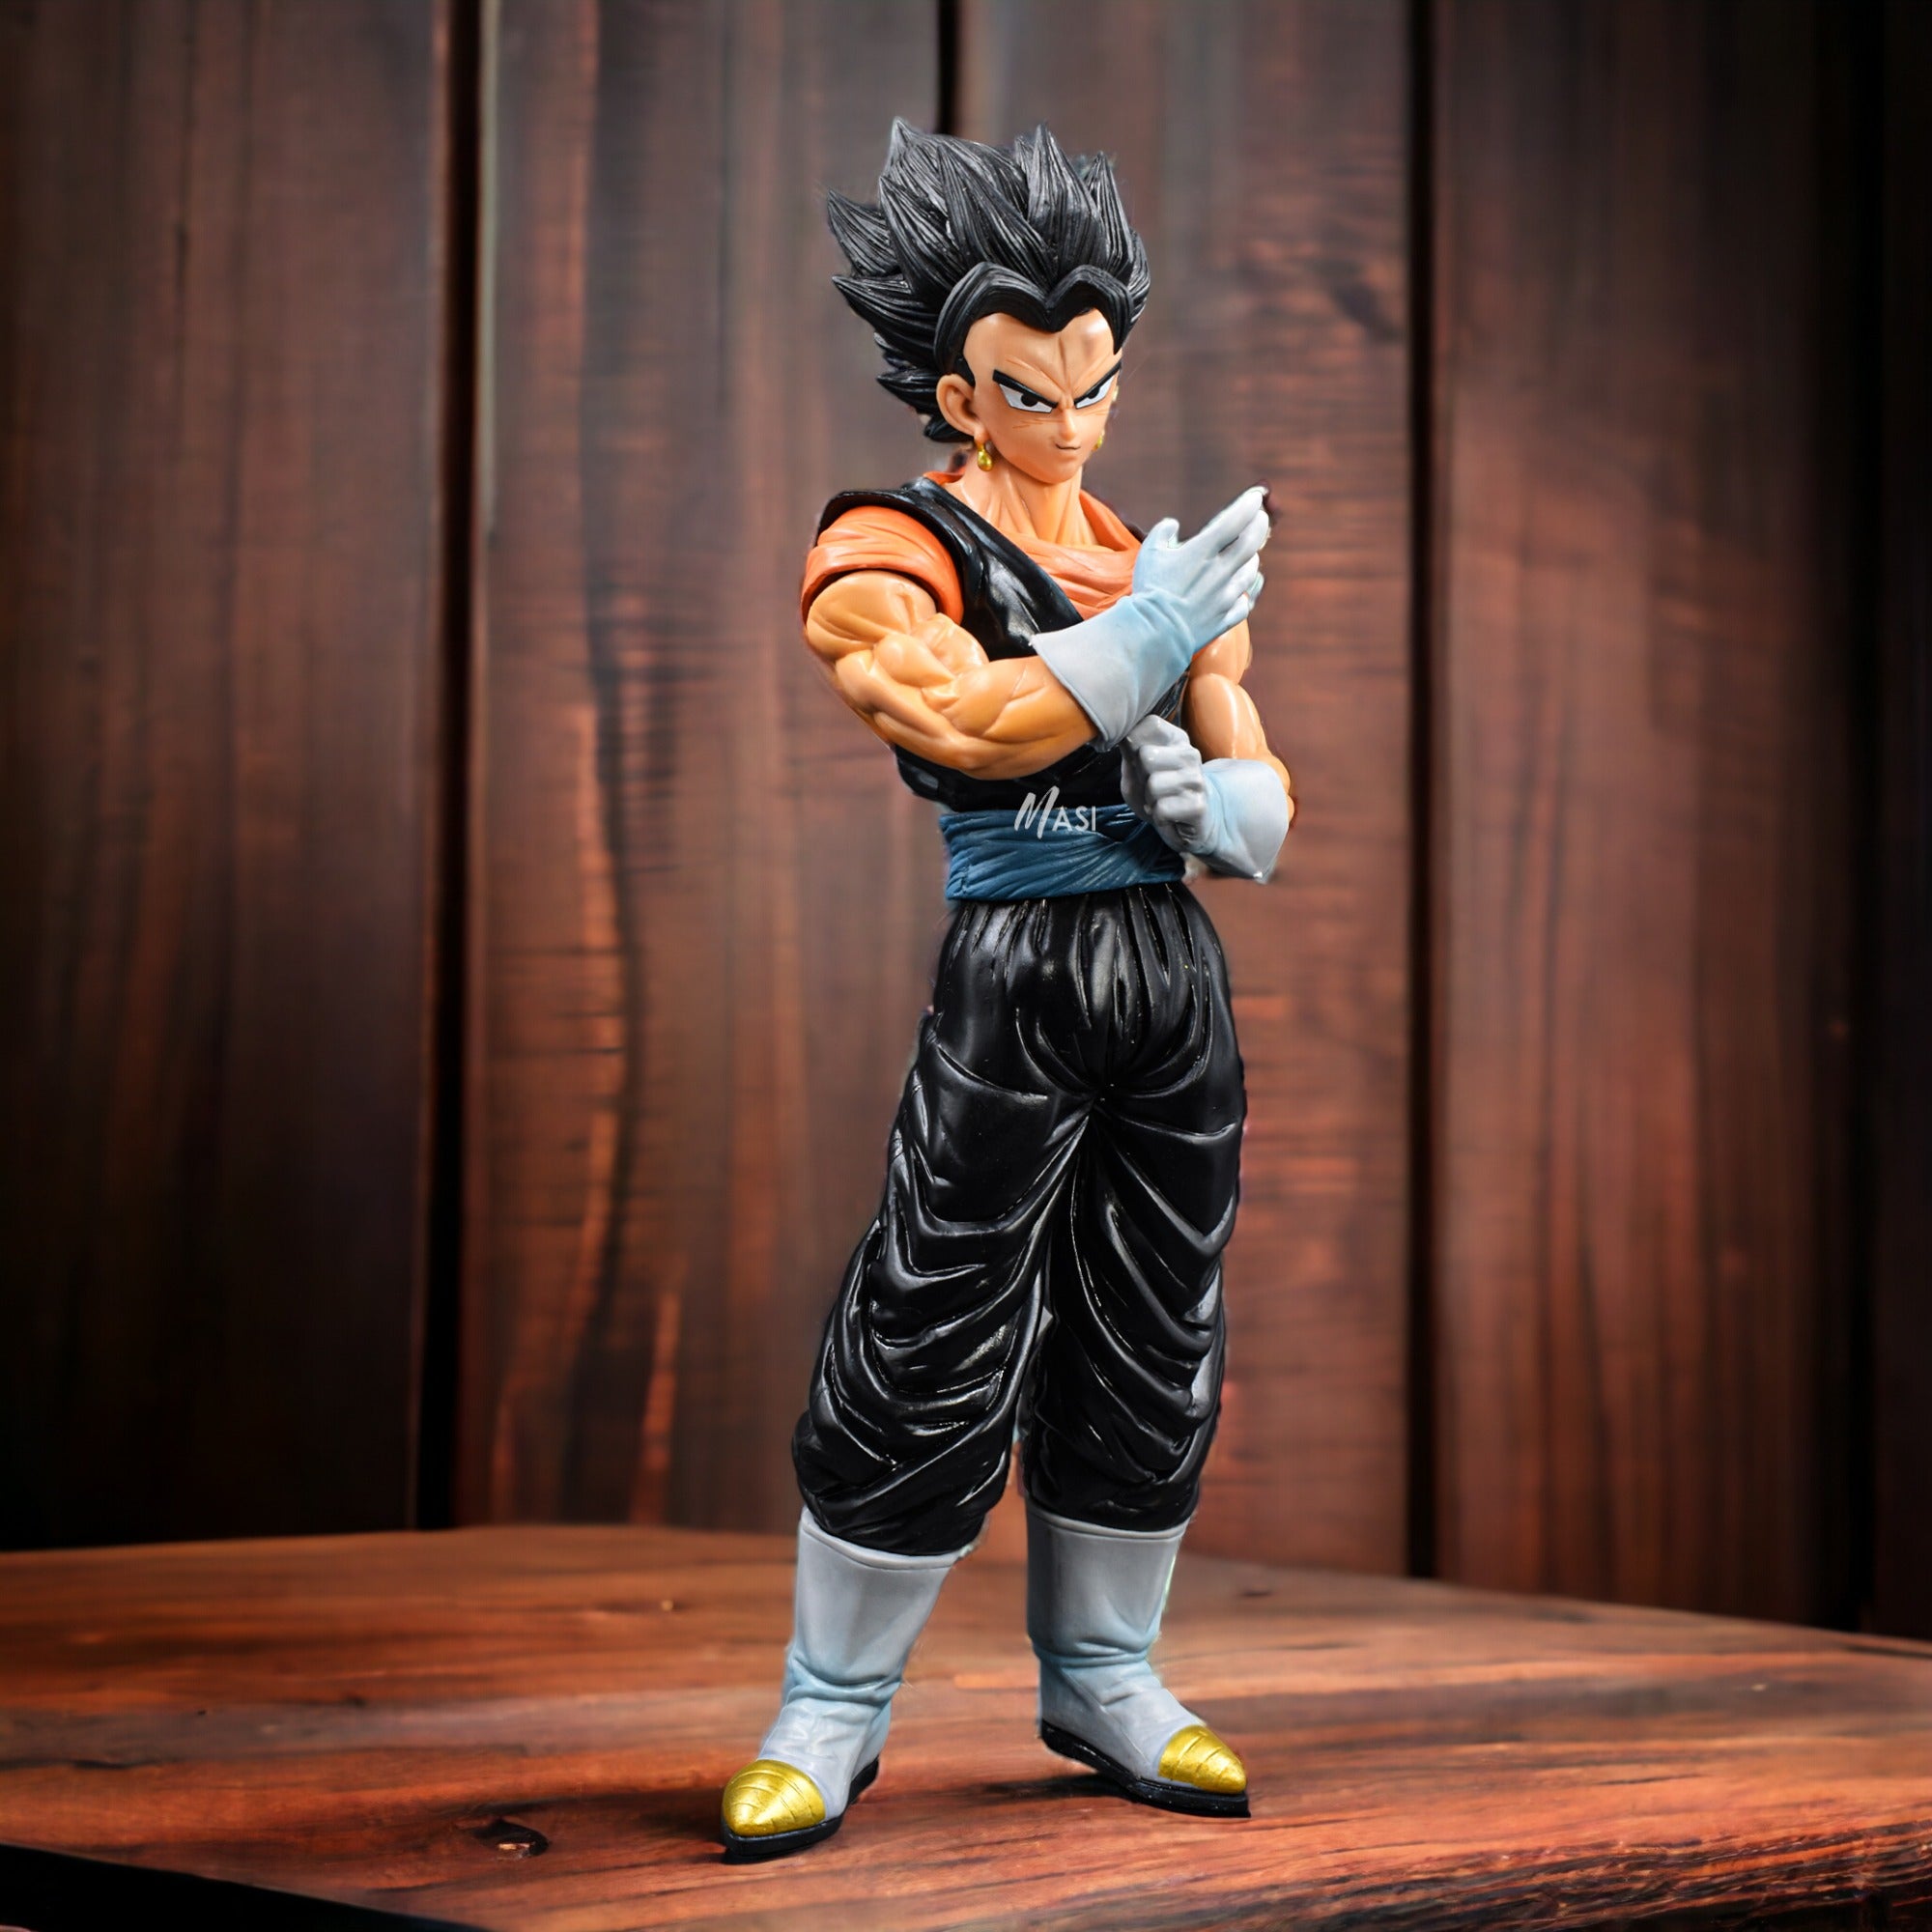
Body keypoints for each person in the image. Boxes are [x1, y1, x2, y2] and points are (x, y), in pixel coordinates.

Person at [721, 121, 1293, 1861]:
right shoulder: (891, 544)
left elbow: (1261, 776)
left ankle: (1107, 1667)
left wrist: (1224, 810)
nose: (1072, 422)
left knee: (1156, 1316)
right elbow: (958, 718)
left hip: (1166, 975)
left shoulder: (1152, 556)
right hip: (1017, 971)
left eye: (1095, 384)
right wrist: (1142, 645)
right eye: (1033, 394)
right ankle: (833, 1697)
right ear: (962, 394)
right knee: (939, 1303)